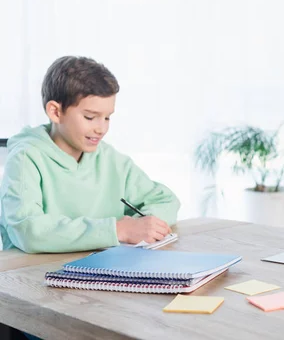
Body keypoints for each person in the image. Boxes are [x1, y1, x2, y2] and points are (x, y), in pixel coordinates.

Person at [0, 56, 180, 253]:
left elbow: (166, 201)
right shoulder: (26, 158)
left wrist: (140, 226)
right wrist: (117, 230)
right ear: (55, 112)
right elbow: (29, 231)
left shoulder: (110, 159)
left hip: (105, 272)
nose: (101, 129)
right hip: (34, 275)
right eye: (90, 117)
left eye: (107, 118)